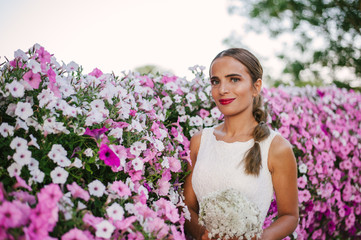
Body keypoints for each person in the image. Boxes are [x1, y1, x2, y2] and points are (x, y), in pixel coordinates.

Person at [184, 48, 299, 240]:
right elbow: (187, 208)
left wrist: (260, 238)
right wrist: (203, 235)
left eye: (234, 79)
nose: (222, 90)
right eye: (215, 81)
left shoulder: (276, 147)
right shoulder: (199, 141)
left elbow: (290, 216)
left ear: (256, 86)